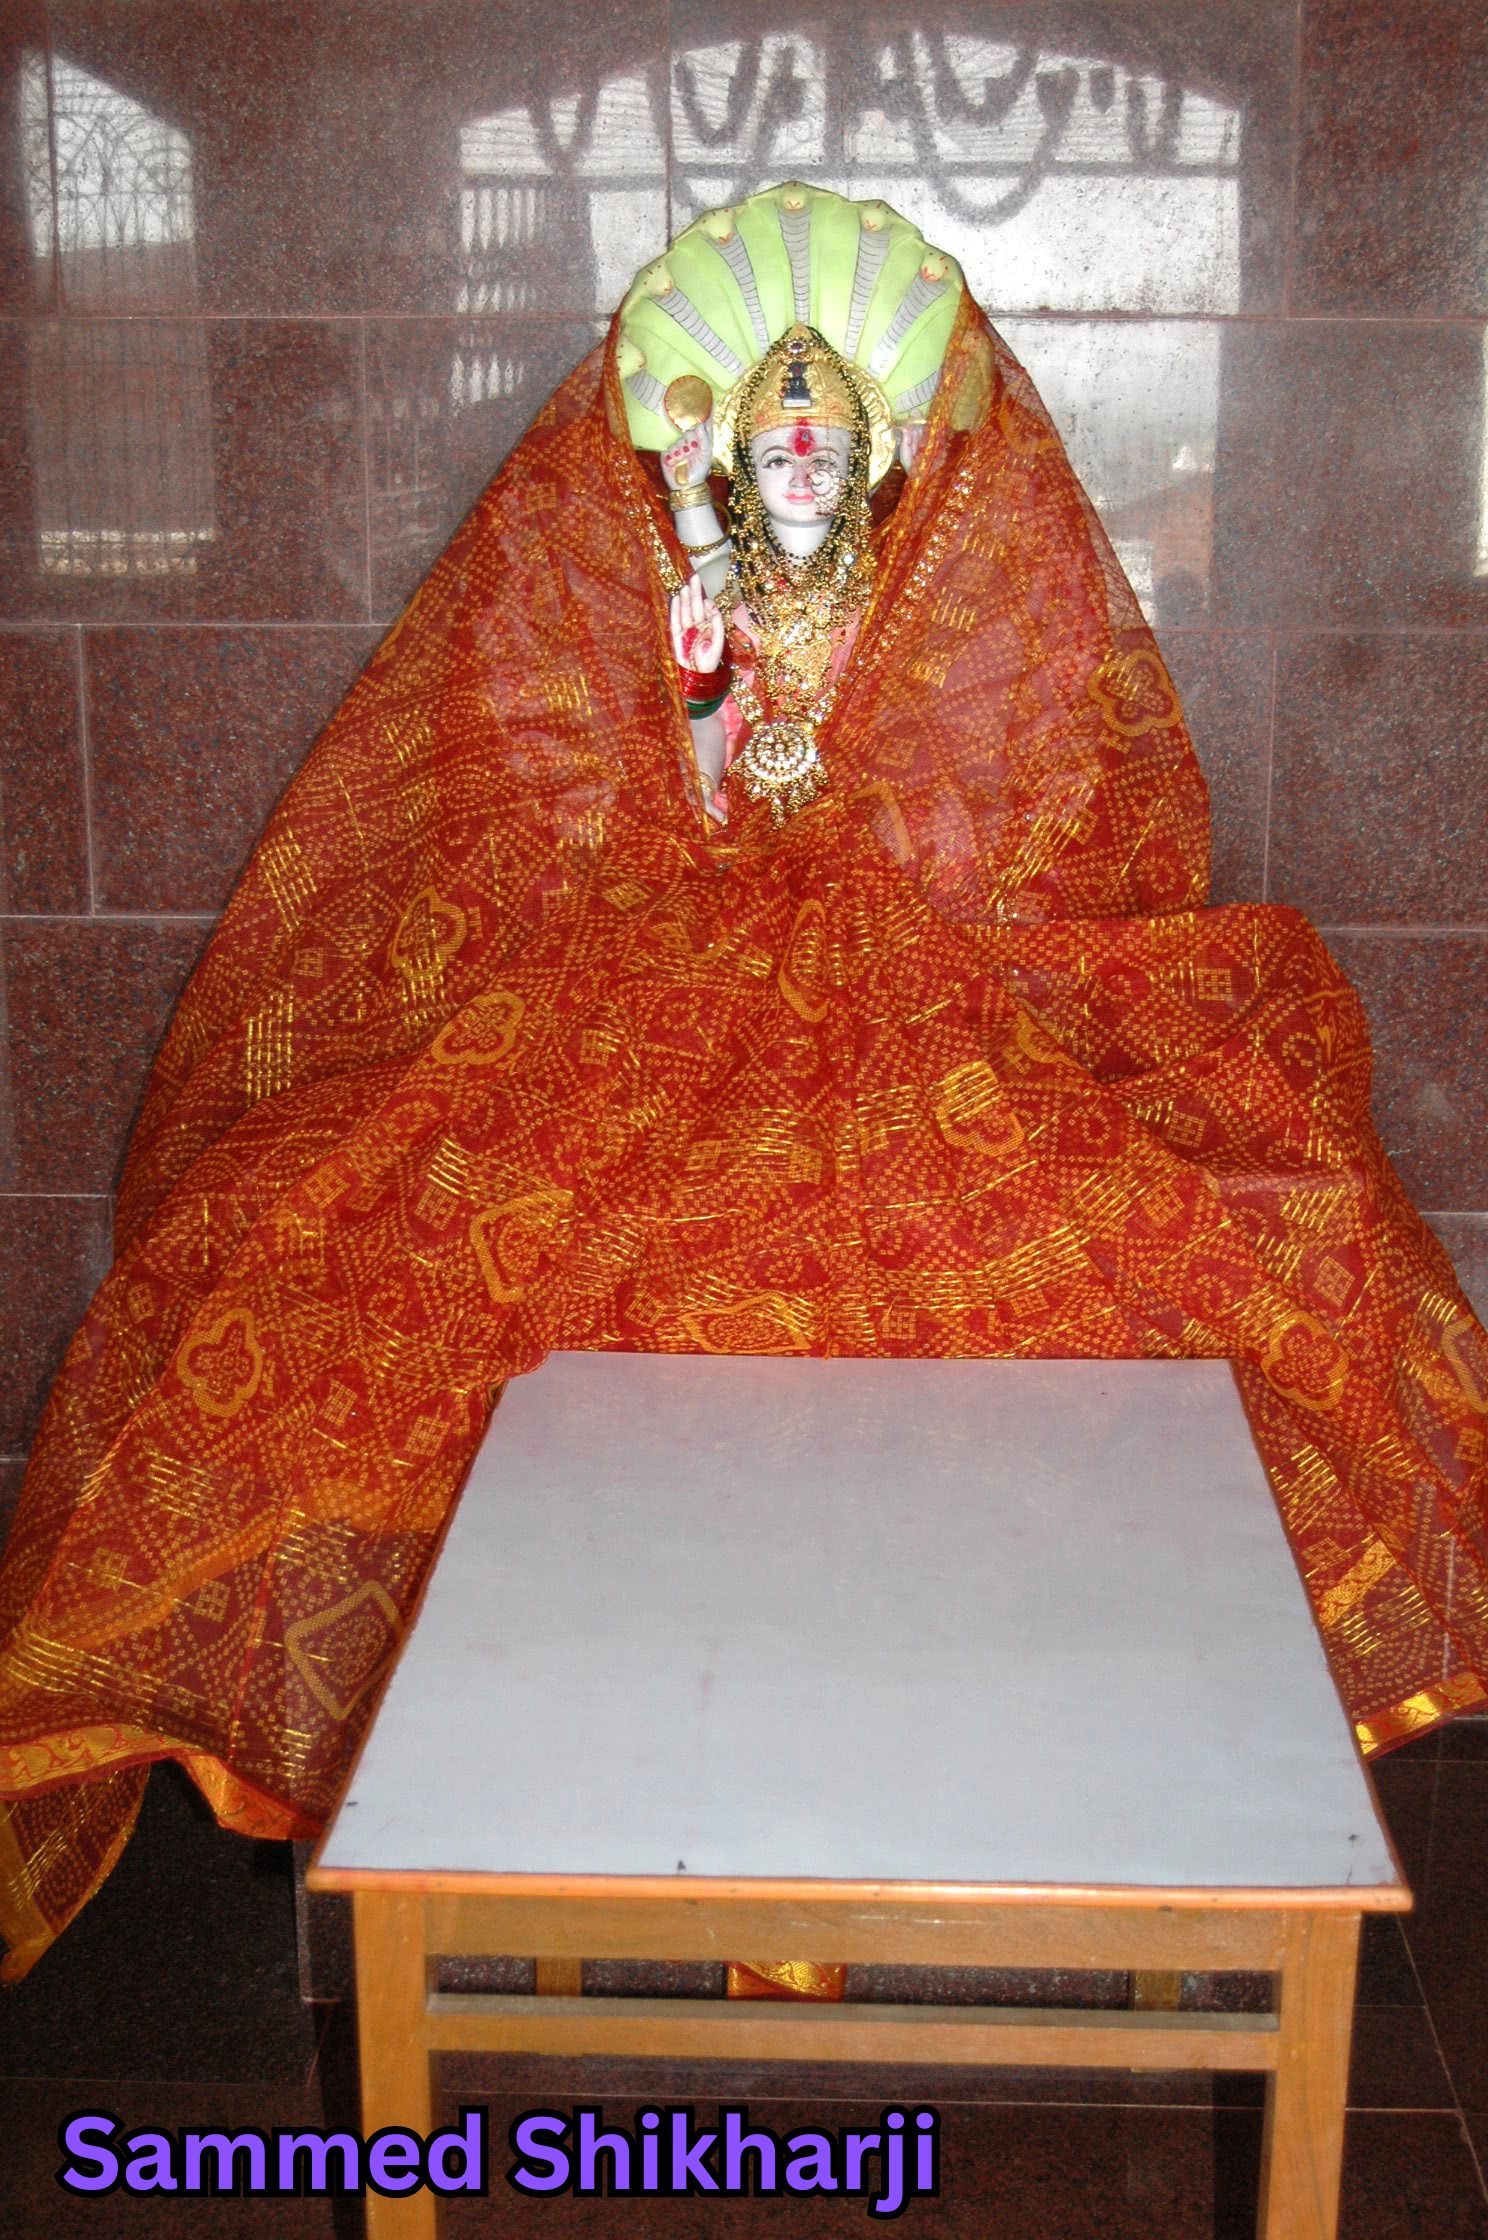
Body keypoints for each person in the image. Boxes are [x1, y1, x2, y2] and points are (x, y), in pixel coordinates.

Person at [1, 185, 1484, 1984]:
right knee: (417, 1268)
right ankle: (621, 1748)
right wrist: (697, 710)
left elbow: (1030, 794)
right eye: (767, 445)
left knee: (1118, 1261)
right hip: (657, 980)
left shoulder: (925, 600)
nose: (793, 467)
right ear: (720, 460)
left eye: (822, 444)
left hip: (907, 987)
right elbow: (589, 766)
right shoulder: (691, 594)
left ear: (872, 462)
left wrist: (877, 832)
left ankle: (956, 1743)